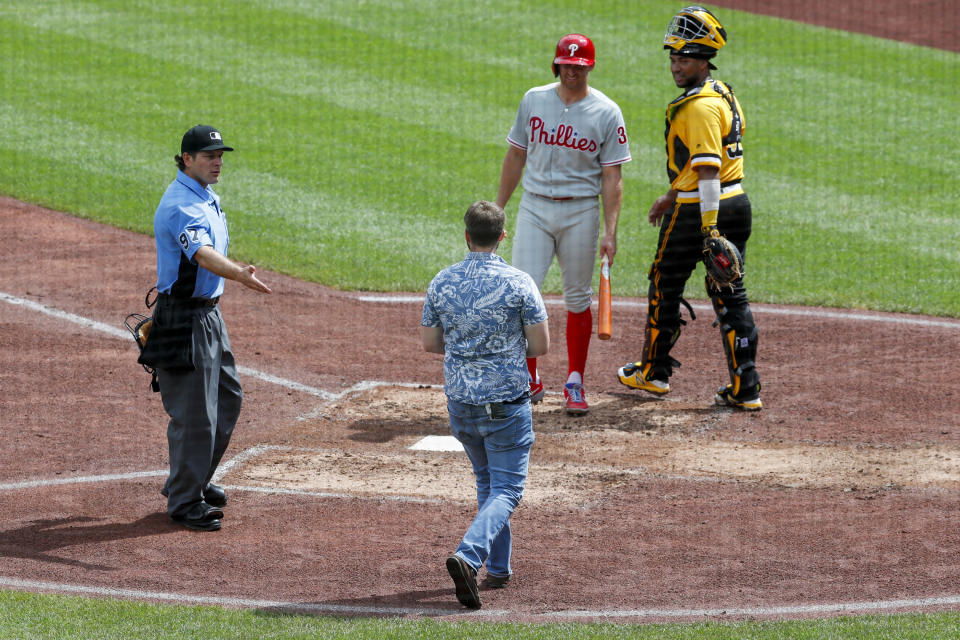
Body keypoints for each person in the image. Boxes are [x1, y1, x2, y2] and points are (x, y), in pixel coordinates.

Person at [616, 6, 762, 410]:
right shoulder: (723, 93)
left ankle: (654, 372)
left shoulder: (697, 107)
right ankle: (746, 388)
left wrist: (708, 228)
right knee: (731, 294)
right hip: (737, 202)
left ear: (703, 60)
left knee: (665, 284)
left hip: (703, 210)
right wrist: (671, 194)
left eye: (683, 59)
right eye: (673, 58)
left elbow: (709, 171)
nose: (675, 66)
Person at [421, 200, 549, 609]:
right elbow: (541, 345)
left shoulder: (442, 281)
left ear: (466, 234)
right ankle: (469, 554)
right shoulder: (519, 283)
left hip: (461, 404)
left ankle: (499, 569)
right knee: (508, 488)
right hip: (506, 405)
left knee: (487, 483)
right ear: (502, 235)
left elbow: (431, 344)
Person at [496, 33, 631, 416]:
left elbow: (613, 177)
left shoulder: (607, 112)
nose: (572, 71)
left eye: (579, 66)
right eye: (566, 65)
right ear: (556, 65)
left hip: (580, 212)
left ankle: (575, 380)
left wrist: (611, 232)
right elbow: (515, 155)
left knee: (576, 298)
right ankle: (528, 377)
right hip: (535, 208)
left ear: (589, 67)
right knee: (524, 294)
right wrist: (500, 208)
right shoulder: (534, 99)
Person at [150, 125, 272, 531]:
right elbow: (201, 255)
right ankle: (185, 502)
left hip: (208, 315)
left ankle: (193, 479)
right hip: (184, 319)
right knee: (195, 414)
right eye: (208, 156)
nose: (217, 162)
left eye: (220, 155)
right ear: (186, 159)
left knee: (227, 398)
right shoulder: (181, 205)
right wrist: (239, 274)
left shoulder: (205, 196)